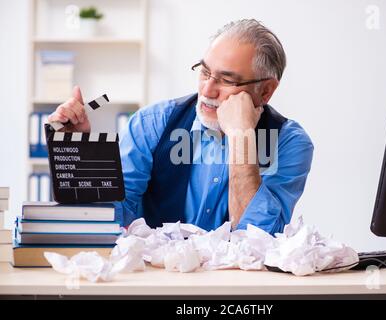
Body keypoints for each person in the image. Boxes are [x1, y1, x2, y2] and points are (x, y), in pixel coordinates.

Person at [48, 19, 314, 235]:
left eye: (226, 80)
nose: (207, 89)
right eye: (205, 72)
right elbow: (111, 218)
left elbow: (259, 239)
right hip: (156, 281)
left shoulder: (289, 143)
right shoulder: (152, 124)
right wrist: (82, 155)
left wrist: (242, 138)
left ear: (265, 91)